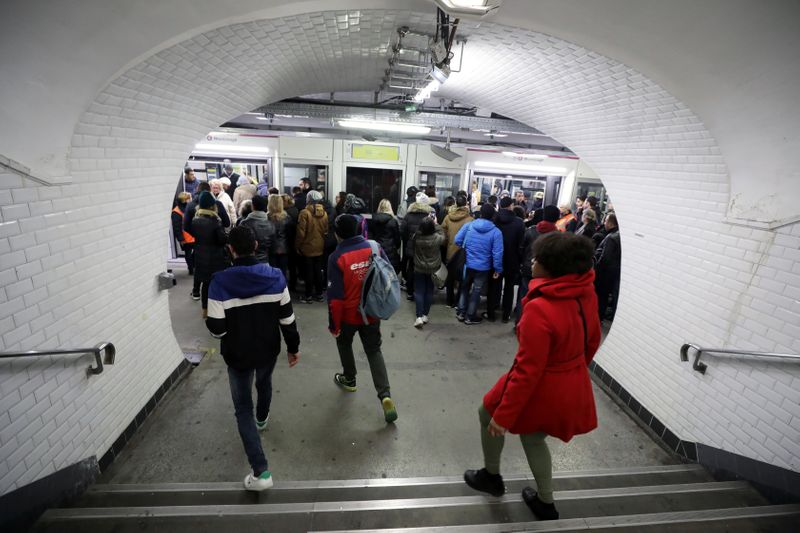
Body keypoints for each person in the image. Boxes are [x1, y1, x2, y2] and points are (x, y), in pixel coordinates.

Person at [464, 231, 601, 520]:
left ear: (551, 268)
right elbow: (592, 339)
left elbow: (528, 371)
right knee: (533, 438)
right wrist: (572, 371)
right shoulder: (585, 292)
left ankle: (492, 476)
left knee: (487, 413)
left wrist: (504, 416)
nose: (533, 260)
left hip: (543, 385)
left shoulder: (539, 308)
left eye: (538, 258)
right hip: (573, 380)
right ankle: (545, 502)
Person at [205, 226, 300, 491]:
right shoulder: (276, 276)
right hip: (268, 349)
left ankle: (261, 472)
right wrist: (293, 347)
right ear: (256, 246)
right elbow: (287, 318)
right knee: (264, 382)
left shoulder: (219, 282)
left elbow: (218, 329)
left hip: (237, 355)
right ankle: (263, 418)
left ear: (230, 250)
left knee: (242, 408)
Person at [327, 214, 398, 424]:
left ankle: (349, 378)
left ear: (337, 234)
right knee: (374, 350)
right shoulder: (374, 247)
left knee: (344, 342)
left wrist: (334, 325)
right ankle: (385, 395)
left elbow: (336, 299)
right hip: (372, 312)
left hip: (349, 316)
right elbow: (387, 273)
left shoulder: (336, 257)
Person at [455, 203, 504, 325]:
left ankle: (461, 312)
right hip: (483, 267)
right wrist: (498, 269)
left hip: (467, 264)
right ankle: (470, 316)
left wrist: (468, 248)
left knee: (465, 287)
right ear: (493, 216)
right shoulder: (496, 232)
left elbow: (457, 240)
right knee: (476, 291)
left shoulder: (469, 226)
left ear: (480, 213)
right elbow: (497, 253)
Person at [516, 205, 559, 323]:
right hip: (547, 273)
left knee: (523, 296)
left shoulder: (531, 231)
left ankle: (520, 323)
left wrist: (522, 263)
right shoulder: (558, 236)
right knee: (541, 301)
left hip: (528, 268)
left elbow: (521, 249)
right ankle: (534, 323)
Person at [191, 191, 229, 318]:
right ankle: (219, 309)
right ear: (212, 205)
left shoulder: (195, 220)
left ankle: (205, 310)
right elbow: (221, 240)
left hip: (200, 256)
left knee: (205, 284)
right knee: (218, 283)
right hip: (216, 257)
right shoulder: (215, 221)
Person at [487, 196, 525, 323]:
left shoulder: (494, 219)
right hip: (512, 260)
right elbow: (521, 244)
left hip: (495, 258)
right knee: (509, 288)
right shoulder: (519, 222)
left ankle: (491, 313)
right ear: (511, 206)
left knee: (494, 286)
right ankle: (506, 315)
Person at [295, 190, 328, 303]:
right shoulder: (324, 213)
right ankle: (319, 295)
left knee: (308, 271)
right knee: (318, 270)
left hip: (307, 247)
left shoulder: (304, 213)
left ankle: (308, 296)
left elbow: (300, 233)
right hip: (320, 246)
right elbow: (325, 230)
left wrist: (297, 246)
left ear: (308, 199)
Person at [402, 192, 435, 301]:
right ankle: (423, 292)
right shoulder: (430, 215)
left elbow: (403, 231)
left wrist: (408, 242)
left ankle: (410, 292)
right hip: (425, 247)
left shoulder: (408, 215)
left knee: (411, 268)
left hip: (412, 247)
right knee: (425, 270)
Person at [411, 218, 445, 328]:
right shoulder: (437, 238)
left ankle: (419, 317)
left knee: (419, 292)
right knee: (429, 291)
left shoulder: (416, 237)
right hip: (433, 268)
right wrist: (436, 224)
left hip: (419, 267)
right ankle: (425, 314)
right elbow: (443, 235)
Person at [441, 195, 473, 307]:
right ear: (466, 205)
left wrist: (447, 245)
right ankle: (459, 300)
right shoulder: (470, 220)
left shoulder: (448, 217)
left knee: (450, 277)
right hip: (464, 254)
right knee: (463, 279)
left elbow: (442, 235)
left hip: (451, 251)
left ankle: (449, 301)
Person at [594, 213, 621, 322]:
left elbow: (604, 258)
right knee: (605, 297)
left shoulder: (611, 237)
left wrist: (596, 270)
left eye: (605, 221)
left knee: (600, 296)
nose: (604, 223)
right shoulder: (620, 236)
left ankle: (596, 318)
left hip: (604, 274)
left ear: (610, 223)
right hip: (614, 273)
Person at [240, 195, 276, 265]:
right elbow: (273, 246)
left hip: (248, 262)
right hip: (265, 261)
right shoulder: (271, 224)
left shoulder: (245, 223)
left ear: (252, 206)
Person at [369, 199, 401, 273]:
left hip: (377, 250)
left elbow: (370, 237)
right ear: (390, 208)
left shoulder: (373, 220)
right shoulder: (393, 221)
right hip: (390, 252)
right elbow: (397, 240)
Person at [171, 192, 196, 277]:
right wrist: (181, 239)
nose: (191, 200)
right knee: (188, 253)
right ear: (185, 200)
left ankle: (193, 267)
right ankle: (191, 268)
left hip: (191, 236)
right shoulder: (176, 212)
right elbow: (176, 227)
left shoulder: (188, 208)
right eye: (189, 198)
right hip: (186, 237)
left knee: (192, 253)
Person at [267, 194, 290, 281]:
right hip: (284, 248)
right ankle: (283, 291)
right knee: (283, 272)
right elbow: (290, 234)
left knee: (272, 272)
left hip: (271, 248)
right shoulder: (287, 217)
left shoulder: (266, 217)